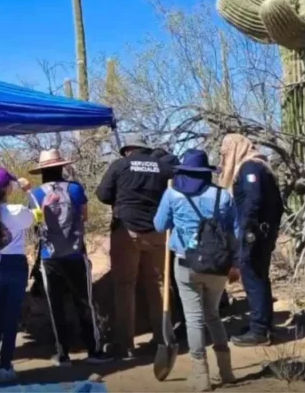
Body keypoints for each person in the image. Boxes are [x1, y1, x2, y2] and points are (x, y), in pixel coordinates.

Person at [154, 149, 237, 390]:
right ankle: (227, 372)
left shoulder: (172, 194)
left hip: (185, 262)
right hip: (218, 265)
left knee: (194, 318)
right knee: (212, 314)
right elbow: (236, 231)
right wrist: (236, 264)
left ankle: (201, 377)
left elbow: (159, 225)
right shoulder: (223, 196)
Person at [28, 149, 110, 366]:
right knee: (85, 302)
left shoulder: (35, 194)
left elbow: (35, 223)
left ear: (42, 171)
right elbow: (84, 216)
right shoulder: (75, 189)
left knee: (56, 306)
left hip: (50, 255)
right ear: (62, 167)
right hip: (76, 252)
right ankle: (94, 351)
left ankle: (62, 354)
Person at [96, 136, 173, 359]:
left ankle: (125, 345)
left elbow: (103, 195)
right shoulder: (164, 167)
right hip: (158, 231)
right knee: (157, 283)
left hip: (126, 231)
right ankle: (162, 339)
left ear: (128, 150)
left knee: (124, 286)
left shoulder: (120, 165)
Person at [218, 134, 285, 347]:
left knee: (253, 279)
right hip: (262, 232)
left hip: (253, 234)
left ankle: (259, 331)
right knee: (259, 278)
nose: (224, 156)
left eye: (226, 151)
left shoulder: (250, 168)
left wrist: (248, 232)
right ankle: (263, 326)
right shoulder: (261, 166)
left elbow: (253, 201)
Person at [0, 167, 36, 382]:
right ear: (8, 188)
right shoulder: (17, 211)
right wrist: (28, 191)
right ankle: (5, 367)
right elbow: (37, 215)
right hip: (14, 265)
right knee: (10, 318)